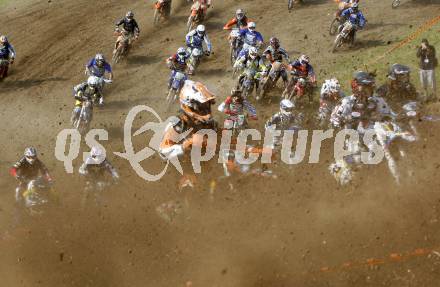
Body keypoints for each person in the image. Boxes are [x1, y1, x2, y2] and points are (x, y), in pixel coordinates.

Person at [159, 81, 217, 159]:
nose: (207, 114)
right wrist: (186, 145)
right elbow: (163, 152)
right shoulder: (178, 125)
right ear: (188, 107)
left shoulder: (208, 122)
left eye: (207, 106)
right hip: (186, 163)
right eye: (201, 108)